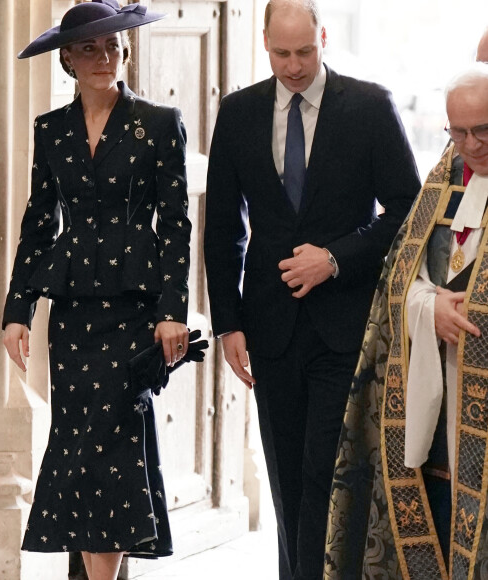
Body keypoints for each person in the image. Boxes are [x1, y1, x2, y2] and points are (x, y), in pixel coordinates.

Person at [203, 0, 420, 577]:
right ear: (265, 46)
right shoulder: (239, 113)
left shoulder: (370, 107)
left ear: (323, 38)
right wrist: (229, 322)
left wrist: (335, 258)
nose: (294, 66)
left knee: (325, 477)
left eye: (304, 52)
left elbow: (407, 208)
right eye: (281, 54)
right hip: (270, 329)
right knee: (287, 483)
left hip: (344, 327)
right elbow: (223, 226)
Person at [2, 2, 191, 579]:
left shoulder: (159, 124)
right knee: (80, 450)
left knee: (113, 449)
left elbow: (176, 224)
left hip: (134, 315)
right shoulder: (49, 130)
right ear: (67, 58)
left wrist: (172, 312)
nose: (103, 57)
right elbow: (39, 223)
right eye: (89, 48)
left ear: (125, 50)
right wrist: (17, 310)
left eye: (112, 46)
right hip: (73, 316)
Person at [324, 63, 488, 579]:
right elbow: (400, 274)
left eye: (483, 130)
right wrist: (428, 307)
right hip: (437, 401)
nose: (470, 145)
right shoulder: (445, 177)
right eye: (457, 132)